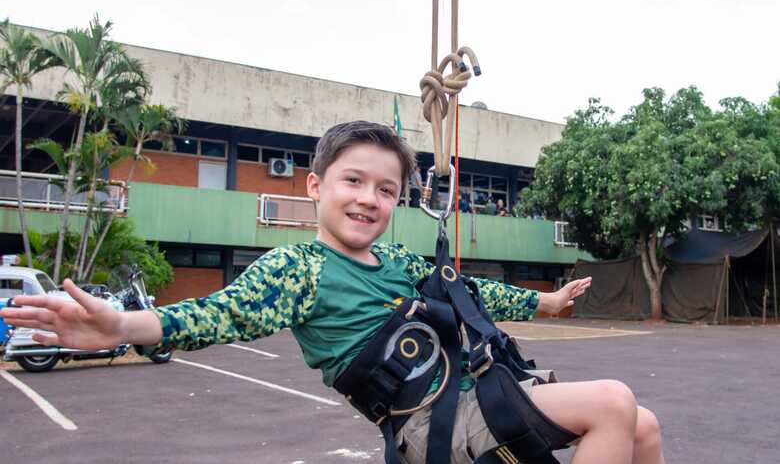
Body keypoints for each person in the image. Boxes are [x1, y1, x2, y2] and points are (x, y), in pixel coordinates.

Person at [1, 121, 663, 464]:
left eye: (385, 189)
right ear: (316, 187)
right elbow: (215, 315)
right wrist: (121, 325)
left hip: (474, 395)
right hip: (430, 424)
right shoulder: (300, 268)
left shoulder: (398, 258)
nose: (368, 198)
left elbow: (468, 293)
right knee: (612, 401)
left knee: (643, 426)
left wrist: (543, 302)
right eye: (353, 181)